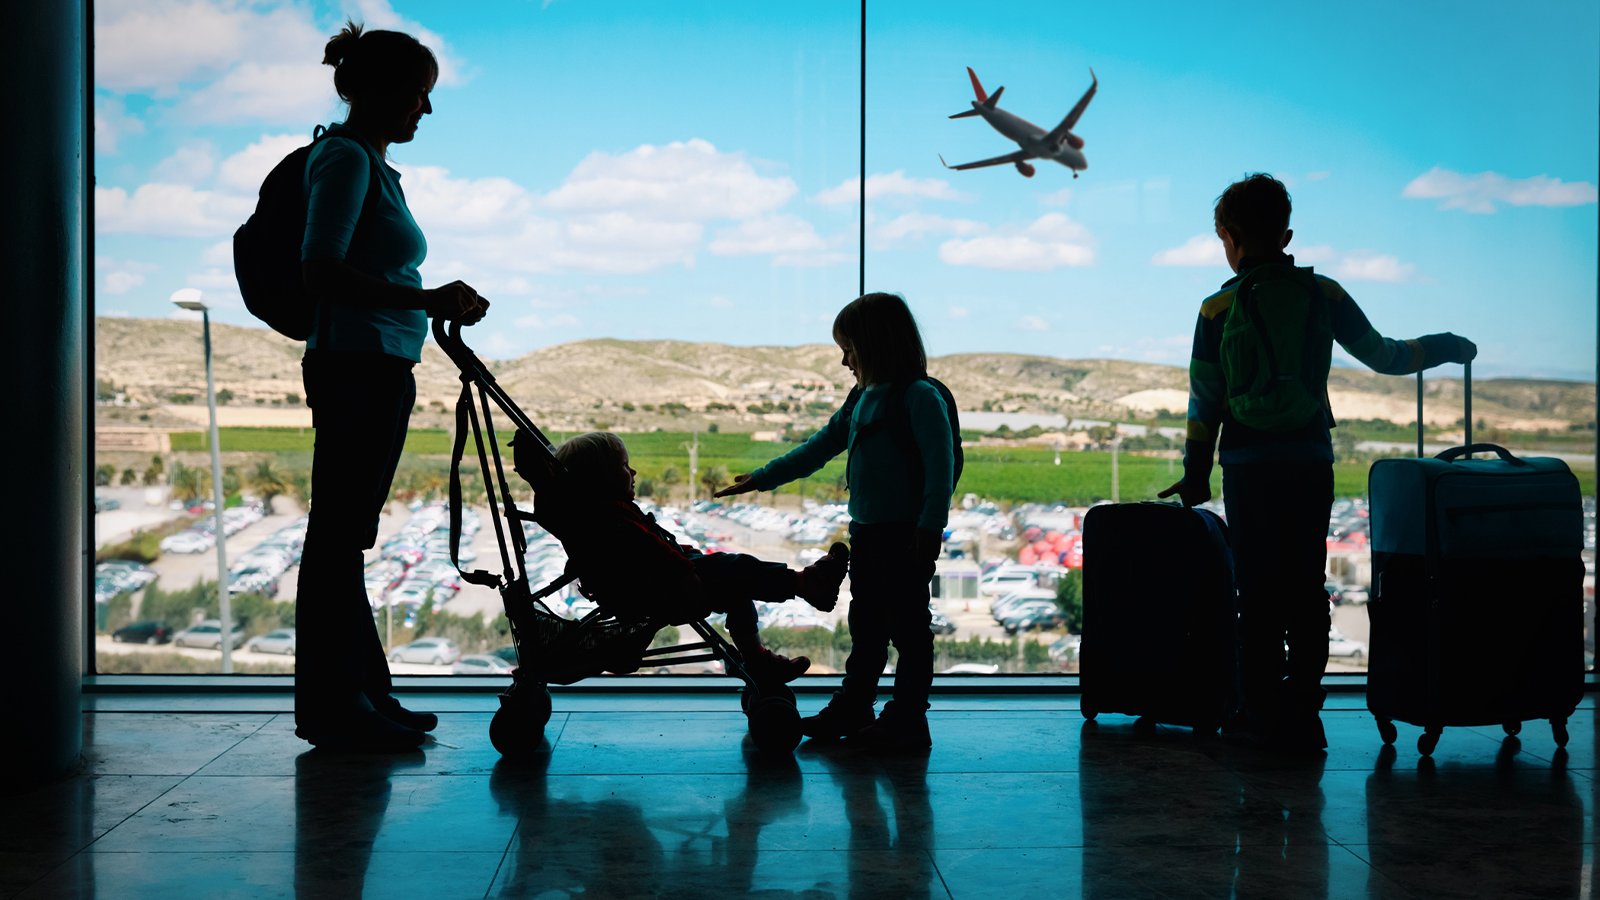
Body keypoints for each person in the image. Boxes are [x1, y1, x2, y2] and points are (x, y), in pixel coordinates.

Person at [1159, 173, 1476, 752]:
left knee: (1254, 590)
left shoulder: (1216, 308)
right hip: (1309, 460)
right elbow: (1385, 356)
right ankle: (1305, 712)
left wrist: (1196, 470)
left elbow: (1204, 401)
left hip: (1247, 466)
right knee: (1305, 587)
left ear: (1228, 237)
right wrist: (1446, 345)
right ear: (1286, 233)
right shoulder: (1322, 294)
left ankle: (1257, 713)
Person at [295, 22, 490, 752]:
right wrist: (426, 297)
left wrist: (426, 302)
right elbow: (322, 269)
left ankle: (363, 694)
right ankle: (337, 706)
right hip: (356, 366)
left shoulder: (371, 165)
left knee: (346, 540)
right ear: (373, 91)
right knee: (337, 540)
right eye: (417, 94)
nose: (426, 111)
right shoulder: (344, 160)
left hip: (375, 365)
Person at [716, 292, 956, 753]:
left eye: (849, 348)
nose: (845, 360)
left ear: (875, 344)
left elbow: (939, 472)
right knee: (866, 626)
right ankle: (856, 708)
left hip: (906, 537)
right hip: (867, 533)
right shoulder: (862, 399)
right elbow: (821, 446)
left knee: (907, 629)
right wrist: (761, 479)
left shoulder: (919, 397)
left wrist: (929, 532)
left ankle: (906, 719)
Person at [548, 432, 850, 682]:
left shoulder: (603, 515)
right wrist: (689, 569)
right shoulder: (613, 520)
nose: (634, 472)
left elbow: (654, 550)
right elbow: (656, 553)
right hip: (670, 588)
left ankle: (756, 657)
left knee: (737, 585)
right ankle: (804, 584)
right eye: (625, 467)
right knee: (738, 569)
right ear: (601, 479)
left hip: (662, 584)